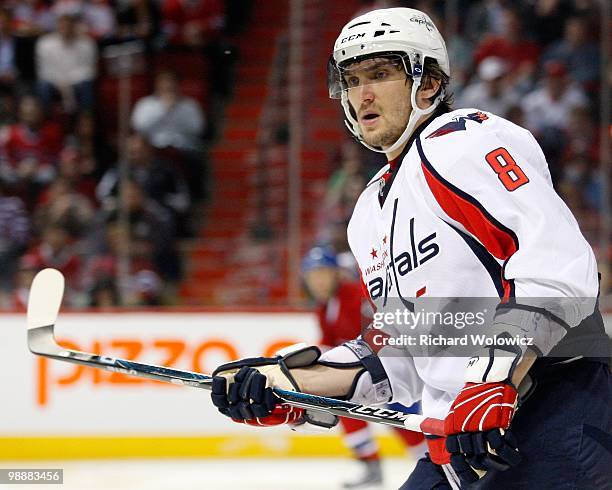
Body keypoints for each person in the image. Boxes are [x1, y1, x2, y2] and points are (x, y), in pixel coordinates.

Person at [210, 8, 610, 490]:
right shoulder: (368, 213)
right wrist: (289, 385)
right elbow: (400, 354)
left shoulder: (462, 142)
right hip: (462, 437)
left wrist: (491, 378)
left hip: (556, 406)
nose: (363, 94)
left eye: (380, 74)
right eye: (352, 80)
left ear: (428, 83)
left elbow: (560, 271)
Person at [302, 245, 425, 489]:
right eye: (313, 275)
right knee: (342, 403)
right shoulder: (324, 306)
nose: (318, 281)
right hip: (366, 368)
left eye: (323, 273)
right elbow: (328, 343)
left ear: (336, 273)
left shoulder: (355, 295)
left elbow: (382, 328)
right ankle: (372, 464)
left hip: (389, 365)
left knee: (403, 416)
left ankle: (431, 460)